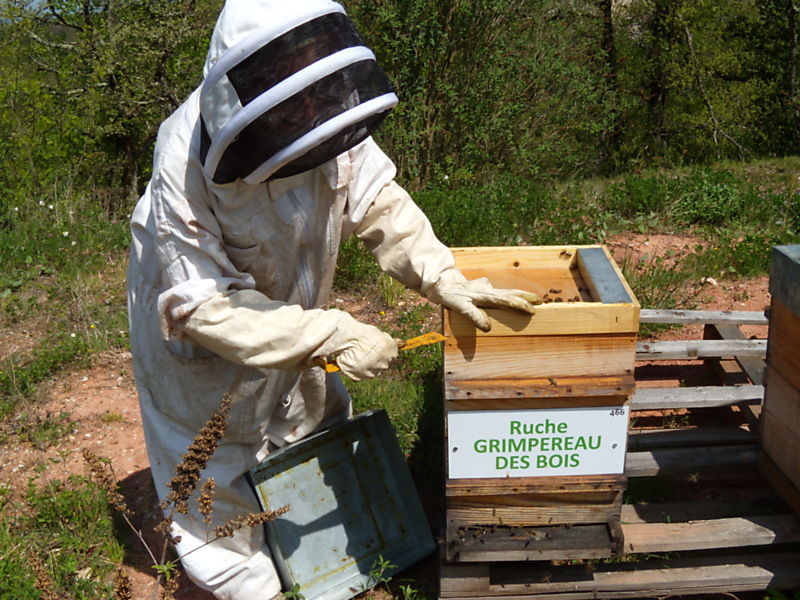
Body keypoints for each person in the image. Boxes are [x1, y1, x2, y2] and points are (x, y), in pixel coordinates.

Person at [127, 1, 541, 598]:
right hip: (197, 337)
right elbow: (205, 308)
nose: (307, 101)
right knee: (211, 471)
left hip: (295, 304)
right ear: (242, 81)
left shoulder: (322, 108)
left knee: (312, 412)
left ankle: (331, 553)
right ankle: (252, 585)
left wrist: (441, 276)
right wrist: (330, 333)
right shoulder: (181, 167)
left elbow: (379, 201)